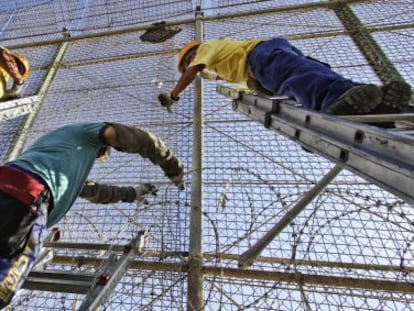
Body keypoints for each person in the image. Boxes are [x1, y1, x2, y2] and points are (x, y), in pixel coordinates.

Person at [0, 122, 184, 308]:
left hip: (11, 185)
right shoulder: (85, 133)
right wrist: (172, 166)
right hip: (28, 196)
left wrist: (133, 193)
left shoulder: (55, 154)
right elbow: (135, 138)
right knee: (4, 288)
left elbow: (93, 191)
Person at [158, 37, 412, 115]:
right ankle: (380, 103)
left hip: (260, 56)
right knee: (309, 74)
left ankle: (339, 98)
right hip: (268, 56)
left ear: (193, 53)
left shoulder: (206, 49)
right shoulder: (223, 61)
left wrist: (173, 95)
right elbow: (214, 75)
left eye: (188, 60)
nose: (191, 64)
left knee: (298, 79)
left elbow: (193, 72)